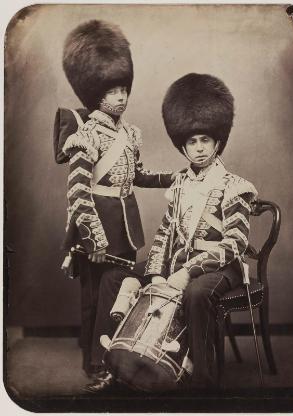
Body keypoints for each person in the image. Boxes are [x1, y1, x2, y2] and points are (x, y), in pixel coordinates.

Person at [54, 20, 175, 390]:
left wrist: (175, 177)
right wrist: (93, 235)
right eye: (112, 91)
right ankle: (94, 365)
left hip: (125, 227)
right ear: (95, 93)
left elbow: (137, 176)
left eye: (124, 89)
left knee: (115, 294)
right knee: (94, 299)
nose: (121, 97)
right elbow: (77, 193)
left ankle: (107, 356)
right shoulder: (84, 134)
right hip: (96, 229)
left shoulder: (129, 133)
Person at [142, 73, 258, 390]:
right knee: (121, 274)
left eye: (205, 140)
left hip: (224, 268)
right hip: (183, 264)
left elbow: (236, 242)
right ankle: (125, 361)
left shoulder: (234, 186)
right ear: (183, 147)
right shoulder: (179, 185)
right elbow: (165, 234)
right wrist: (155, 272)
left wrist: (188, 271)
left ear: (218, 142)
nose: (199, 148)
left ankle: (202, 381)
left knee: (196, 292)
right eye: (192, 142)